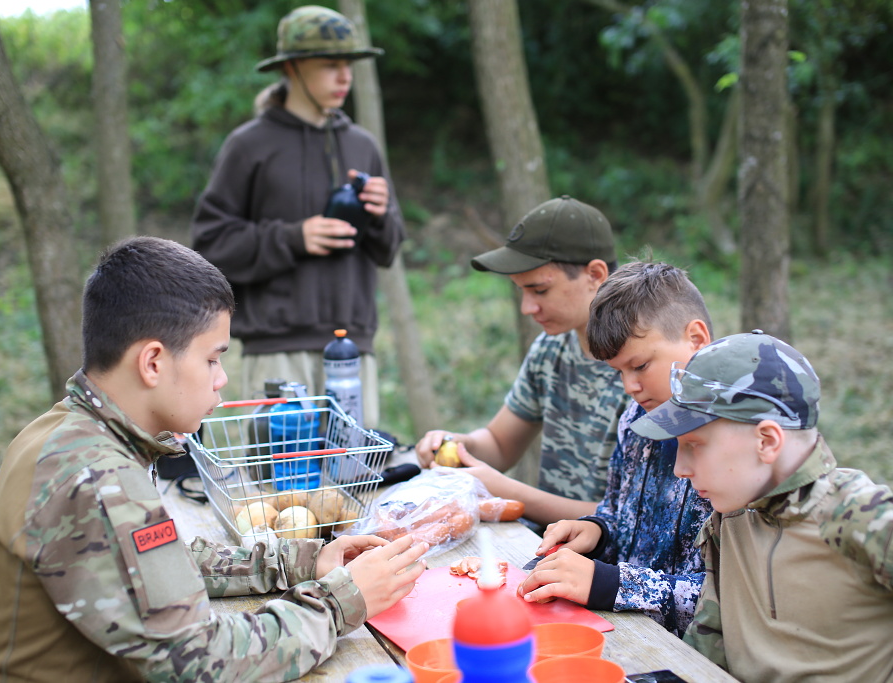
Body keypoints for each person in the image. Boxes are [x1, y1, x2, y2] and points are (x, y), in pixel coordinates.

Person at [0, 237, 427, 683]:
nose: (221, 379)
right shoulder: (98, 478)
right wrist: (342, 600)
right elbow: (200, 663)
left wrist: (303, 562)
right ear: (153, 363)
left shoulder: (69, 434)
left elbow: (155, 569)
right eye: (212, 359)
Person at [630, 330, 893, 682]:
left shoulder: (870, 521)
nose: (680, 468)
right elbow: (709, 652)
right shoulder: (730, 517)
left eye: (694, 445)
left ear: (767, 441)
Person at [191, 5, 405, 428]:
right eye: (330, 65)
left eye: (349, 65)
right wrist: (293, 238)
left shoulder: (363, 146)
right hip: (277, 353)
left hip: (353, 353)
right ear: (291, 67)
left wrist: (380, 216)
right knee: (278, 473)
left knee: (352, 470)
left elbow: (389, 249)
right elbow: (210, 247)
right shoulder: (249, 146)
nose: (345, 77)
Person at [517, 261, 714, 636]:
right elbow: (617, 513)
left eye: (640, 365)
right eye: (618, 372)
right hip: (625, 632)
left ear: (696, 338)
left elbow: (728, 599)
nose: (630, 386)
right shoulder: (635, 421)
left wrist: (608, 584)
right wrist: (597, 533)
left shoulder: (736, 442)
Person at [415, 195, 631, 526]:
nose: (527, 308)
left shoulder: (641, 368)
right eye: (521, 291)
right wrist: (460, 446)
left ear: (595, 274)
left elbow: (628, 521)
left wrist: (507, 490)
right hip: (547, 542)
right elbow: (501, 445)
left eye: (539, 290)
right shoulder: (551, 349)